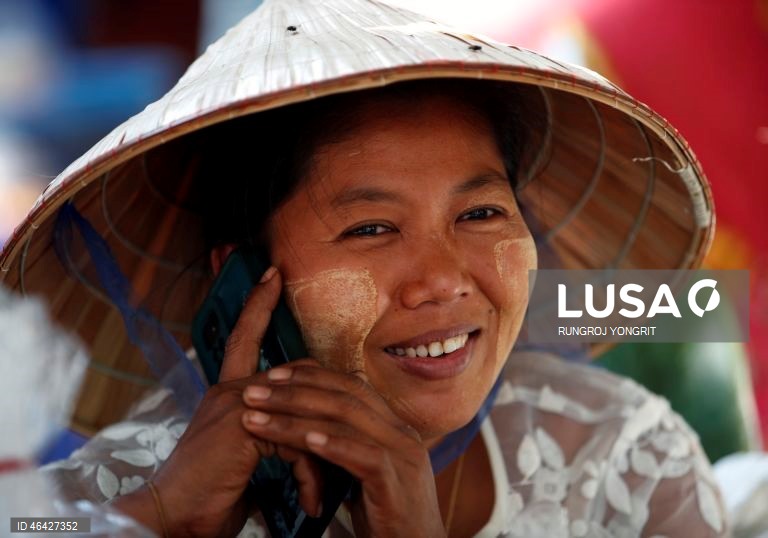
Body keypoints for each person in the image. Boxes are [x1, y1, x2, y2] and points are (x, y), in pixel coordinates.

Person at [2, 0, 726, 536]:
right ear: (248, 276)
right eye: (371, 228)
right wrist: (160, 515)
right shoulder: (142, 479)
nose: (443, 280)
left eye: (479, 215)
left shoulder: (622, 455)